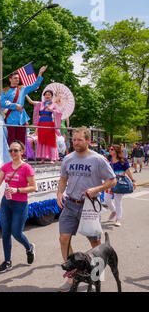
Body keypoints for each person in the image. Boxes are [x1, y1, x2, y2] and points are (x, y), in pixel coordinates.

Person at [56, 127, 117, 292]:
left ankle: (95, 278)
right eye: (74, 140)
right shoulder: (68, 158)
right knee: (63, 239)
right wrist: (60, 193)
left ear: (88, 141)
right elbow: (63, 179)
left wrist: (96, 189)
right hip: (70, 204)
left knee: (95, 244)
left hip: (89, 207)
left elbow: (112, 180)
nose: (75, 143)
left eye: (79, 140)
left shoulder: (98, 160)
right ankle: (71, 276)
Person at [0, 140, 37, 273]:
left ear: (22, 152)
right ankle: (7, 261)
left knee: (16, 233)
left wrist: (17, 190)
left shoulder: (27, 167)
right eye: (10, 150)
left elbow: (34, 187)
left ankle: (29, 248)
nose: (13, 153)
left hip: (20, 204)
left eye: (16, 150)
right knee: (5, 233)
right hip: (6, 202)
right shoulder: (6, 166)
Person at [0, 66, 48, 146]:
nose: (17, 79)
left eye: (18, 78)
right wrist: (15, 106)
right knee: (11, 141)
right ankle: (10, 158)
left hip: (21, 119)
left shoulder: (22, 88)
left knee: (22, 142)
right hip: (11, 119)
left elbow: (35, 85)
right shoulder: (5, 91)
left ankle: (21, 157)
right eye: (15, 78)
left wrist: (40, 73)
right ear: (10, 79)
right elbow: (2, 103)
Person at [103, 144, 136, 227]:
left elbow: (128, 171)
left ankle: (118, 219)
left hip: (119, 182)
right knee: (106, 199)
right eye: (109, 149)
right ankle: (113, 211)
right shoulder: (108, 160)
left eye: (112, 149)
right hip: (109, 182)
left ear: (116, 151)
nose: (109, 150)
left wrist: (133, 180)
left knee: (118, 201)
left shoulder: (123, 160)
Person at [27, 90, 62, 163]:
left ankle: (53, 158)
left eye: (49, 95)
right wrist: (25, 94)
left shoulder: (54, 105)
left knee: (51, 141)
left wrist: (51, 109)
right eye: (46, 95)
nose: (47, 96)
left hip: (49, 124)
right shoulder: (41, 104)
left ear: (52, 96)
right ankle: (42, 158)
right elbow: (31, 102)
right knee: (41, 140)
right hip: (41, 124)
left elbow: (59, 113)